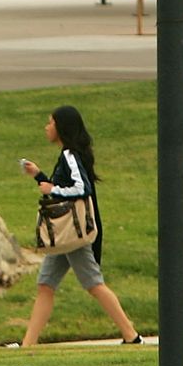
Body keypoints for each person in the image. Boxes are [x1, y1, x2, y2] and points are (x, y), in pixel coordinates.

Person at [14, 105, 142, 347]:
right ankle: (27, 345)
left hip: (72, 234)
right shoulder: (68, 154)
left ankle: (131, 335)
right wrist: (39, 176)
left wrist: (53, 189)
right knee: (45, 285)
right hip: (65, 236)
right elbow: (65, 187)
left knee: (94, 284)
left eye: (50, 123)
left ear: (61, 127)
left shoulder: (69, 155)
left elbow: (82, 188)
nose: (46, 127)